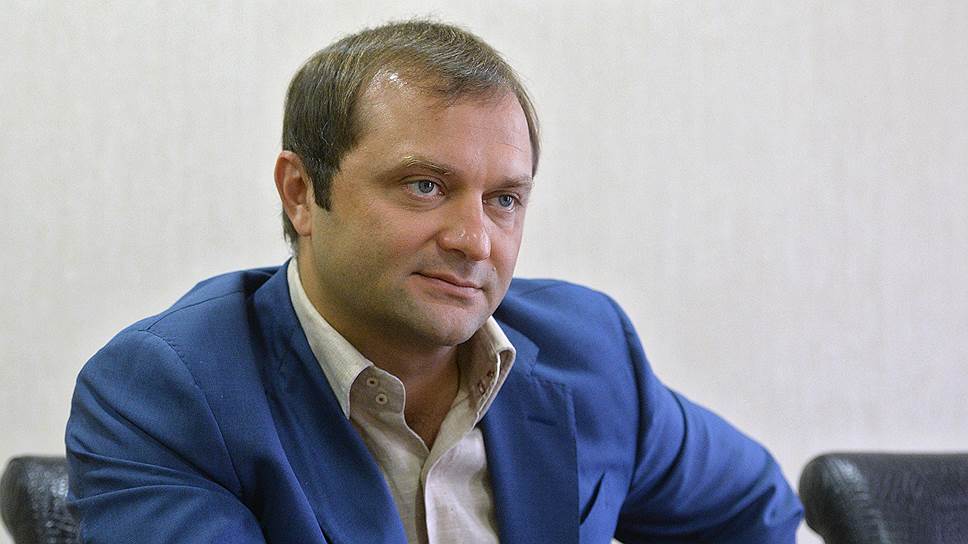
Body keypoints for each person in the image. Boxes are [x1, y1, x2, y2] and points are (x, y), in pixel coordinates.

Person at [65, 19, 803, 543]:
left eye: (504, 199)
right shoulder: (168, 390)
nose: (475, 240)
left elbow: (757, 514)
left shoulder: (588, 352)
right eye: (424, 186)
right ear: (301, 193)